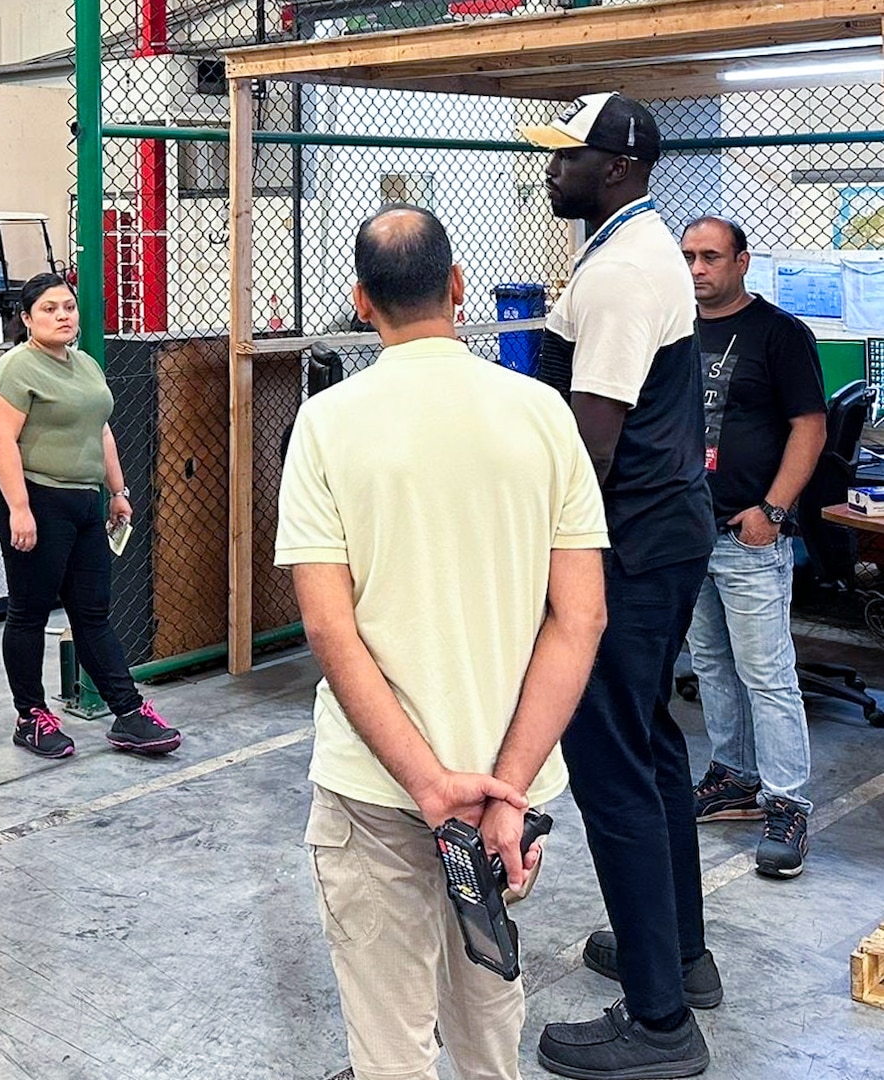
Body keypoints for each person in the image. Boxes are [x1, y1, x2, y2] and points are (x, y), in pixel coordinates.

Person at [277, 206, 608, 1080]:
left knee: (391, 1041)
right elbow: (580, 618)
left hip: (376, 789)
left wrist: (427, 785)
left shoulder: (326, 423)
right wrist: (508, 786)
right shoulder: (543, 414)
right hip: (504, 796)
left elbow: (326, 625)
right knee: (487, 1010)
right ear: (459, 289)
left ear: (359, 301)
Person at [523, 93, 718, 1078]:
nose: (551, 170)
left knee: (610, 767)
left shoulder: (623, 274)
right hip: (665, 534)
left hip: (630, 547)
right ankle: (678, 957)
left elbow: (585, 447)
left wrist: (531, 563)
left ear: (617, 167)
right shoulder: (632, 251)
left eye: (567, 156)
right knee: (650, 745)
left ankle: (659, 1024)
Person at [0, 274, 182, 759]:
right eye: (49, 309)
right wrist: (20, 510)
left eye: (68, 307)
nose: (63, 316)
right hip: (36, 500)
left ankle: (128, 714)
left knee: (92, 613)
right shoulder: (15, 370)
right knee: (28, 612)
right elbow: (1, 441)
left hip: (85, 502)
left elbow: (102, 430)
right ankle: (31, 716)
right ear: (27, 319)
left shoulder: (85, 364)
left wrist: (117, 490)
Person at [681, 216, 826, 877]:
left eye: (711, 256)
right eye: (688, 257)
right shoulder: (675, 332)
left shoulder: (780, 335)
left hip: (749, 536)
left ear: (742, 261)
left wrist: (773, 510)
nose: (697, 269)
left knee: (767, 676)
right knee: (711, 665)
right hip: (690, 530)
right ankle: (734, 777)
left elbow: (809, 428)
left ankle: (787, 802)